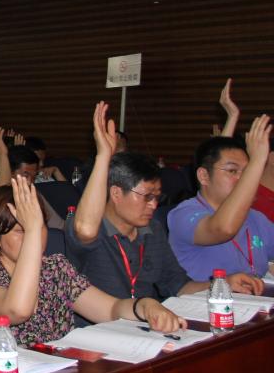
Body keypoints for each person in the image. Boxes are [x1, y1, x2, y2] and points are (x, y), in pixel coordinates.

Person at [0, 177, 185, 346]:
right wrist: (34, 228)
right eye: (21, 231)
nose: (34, 237)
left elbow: (110, 309)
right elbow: (17, 310)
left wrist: (145, 306)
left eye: (39, 227)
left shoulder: (55, 268)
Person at [70, 102, 263, 300]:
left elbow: (179, 285)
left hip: (144, 317)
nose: (154, 205)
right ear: (117, 194)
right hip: (100, 319)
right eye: (147, 197)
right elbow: (86, 230)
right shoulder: (90, 226)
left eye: (157, 197)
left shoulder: (153, 230)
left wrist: (222, 284)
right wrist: (103, 156)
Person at [168, 116, 274, 280]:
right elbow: (223, 229)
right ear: (204, 176)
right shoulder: (183, 214)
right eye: (232, 171)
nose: (243, 179)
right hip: (205, 296)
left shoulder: (255, 218)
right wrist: (257, 160)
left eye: (246, 172)